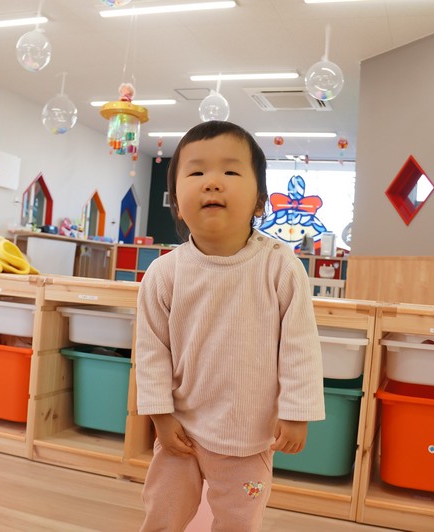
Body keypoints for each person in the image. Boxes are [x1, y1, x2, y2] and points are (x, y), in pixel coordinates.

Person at [135, 120, 325, 531]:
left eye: (231, 171)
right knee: (162, 512)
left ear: (260, 202)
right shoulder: (164, 273)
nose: (212, 182)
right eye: (197, 172)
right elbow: (151, 352)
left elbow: (300, 347)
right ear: (177, 203)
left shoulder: (280, 267)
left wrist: (297, 412)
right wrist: (160, 416)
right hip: (181, 430)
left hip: (248, 434)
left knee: (239, 521)